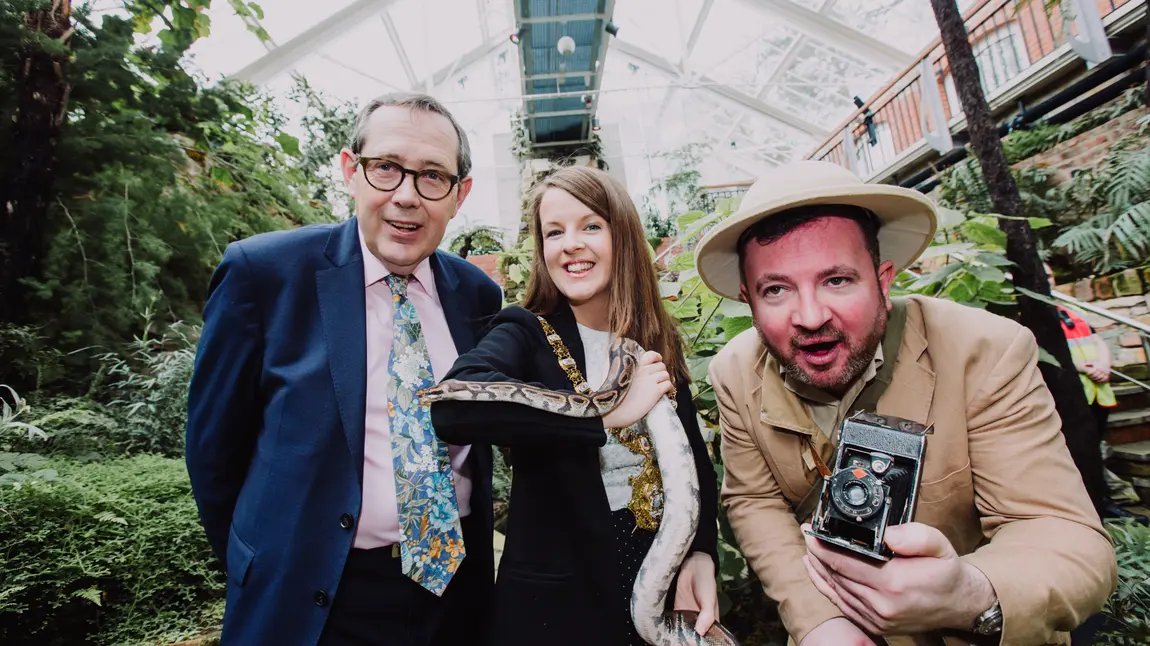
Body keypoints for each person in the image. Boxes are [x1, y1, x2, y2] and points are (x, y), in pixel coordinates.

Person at [696, 160, 1117, 646]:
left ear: (884, 279)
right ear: (749, 299)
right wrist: (821, 622)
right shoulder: (733, 373)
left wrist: (969, 593)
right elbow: (755, 499)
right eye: (776, 290)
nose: (810, 317)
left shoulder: (983, 351)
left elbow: (1068, 538)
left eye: (837, 280)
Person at [185, 92, 503, 646]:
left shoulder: (477, 294)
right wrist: (255, 563)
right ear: (350, 170)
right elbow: (213, 453)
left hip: (454, 598)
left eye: (432, 177)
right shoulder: (263, 275)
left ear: (459, 195)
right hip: (314, 603)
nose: (407, 196)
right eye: (386, 168)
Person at [428, 166, 720, 646]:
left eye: (590, 226)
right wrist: (604, 415)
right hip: (559, 604)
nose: (571, 244)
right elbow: (454, 407)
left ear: (621, 235)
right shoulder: (524, 331)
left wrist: (700, 552)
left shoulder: (653, 338)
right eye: (554, 232)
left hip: (660, 577)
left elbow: (693, 462)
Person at [1044, 263, 1147, 526]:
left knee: (1094, 448)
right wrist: (1079, 367)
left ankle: (1106, 503)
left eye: (1050, 274)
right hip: (1068, 391)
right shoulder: (1030, 311)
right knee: (1076, 451)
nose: (1048, 279)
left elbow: (1095, 338)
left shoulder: (1068, 307)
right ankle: (1091, 507)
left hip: (1097, 390)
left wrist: (1104, 364)